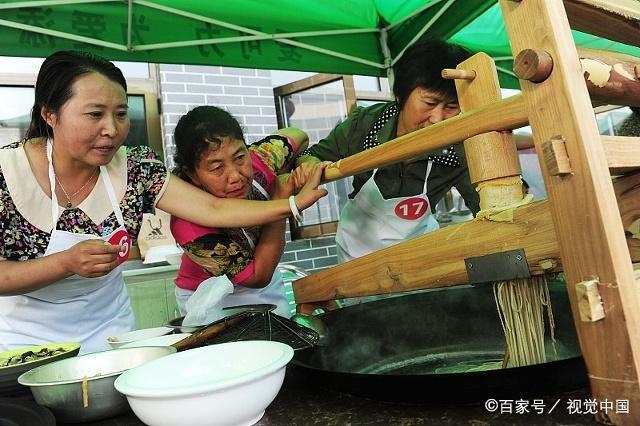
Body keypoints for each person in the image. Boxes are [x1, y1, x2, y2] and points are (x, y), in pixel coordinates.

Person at [0, 51, 328, 353]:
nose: (112, 129)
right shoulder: (7, 174)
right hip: (26, 346)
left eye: (121, 114)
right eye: (95, 114)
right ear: (50, 114)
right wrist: (64, 263)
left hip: (111, 333)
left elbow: (211, 208)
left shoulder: (136, 167)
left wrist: (292, 203)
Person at [293, 38, 480, 263]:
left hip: (417, 259)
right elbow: (313, 155)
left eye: (451, 107)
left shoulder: (459, 145)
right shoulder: (365, 124)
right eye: (430, 103)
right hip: (356, 259)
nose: (437, 119)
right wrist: (307, 164)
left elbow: (486, 206)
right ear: (402, 94)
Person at [170, 106, 309, 318]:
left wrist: (305, 162)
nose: (235, 176)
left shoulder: (260, 159)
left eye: (239, 157)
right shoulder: (188, 224)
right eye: (217, 168)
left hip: (266, 278)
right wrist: (280, 198)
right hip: (209, 296)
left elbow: (299, 136)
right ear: (193, 175)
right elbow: (257, 275)